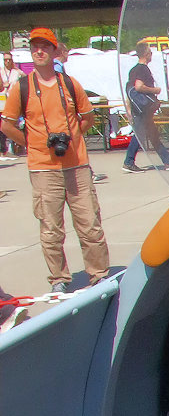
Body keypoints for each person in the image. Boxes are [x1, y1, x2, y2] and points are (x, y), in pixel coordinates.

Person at [0, 27, 109, 293]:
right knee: (50, 228)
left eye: (45, 47)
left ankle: (99, 274)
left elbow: (88, 118)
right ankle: (59, 278)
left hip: (77, 166)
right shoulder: (21, 87)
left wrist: (73, 138)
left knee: (90, 224)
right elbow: (7, 125)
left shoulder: (70, 84)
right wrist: (33, 143)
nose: (39, 51)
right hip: (42, 168)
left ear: (54, 51)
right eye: (35, 46)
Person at [124, 42, 169, 171]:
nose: (151, 55)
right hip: (144, 109)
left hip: (138, 108)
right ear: (146, 54)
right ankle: (128, 162)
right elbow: (138, 86)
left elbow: (130, 91)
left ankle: (168, 161)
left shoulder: (133, 70)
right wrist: (155, 90)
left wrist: (129, 110)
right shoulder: (143, 69)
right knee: (140, 135)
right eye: (151, 52)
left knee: (152, 134)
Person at [0, 52, 19, 158]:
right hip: (2, 99)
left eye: (9, 60)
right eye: (5, 60)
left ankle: (14, 148)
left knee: (13, 124)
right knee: (3, 124)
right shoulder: (1, 72)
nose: (7, 62)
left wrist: (19, 70)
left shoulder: (16, 72)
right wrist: (4, 85)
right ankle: (3, 149)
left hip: (14, 100)